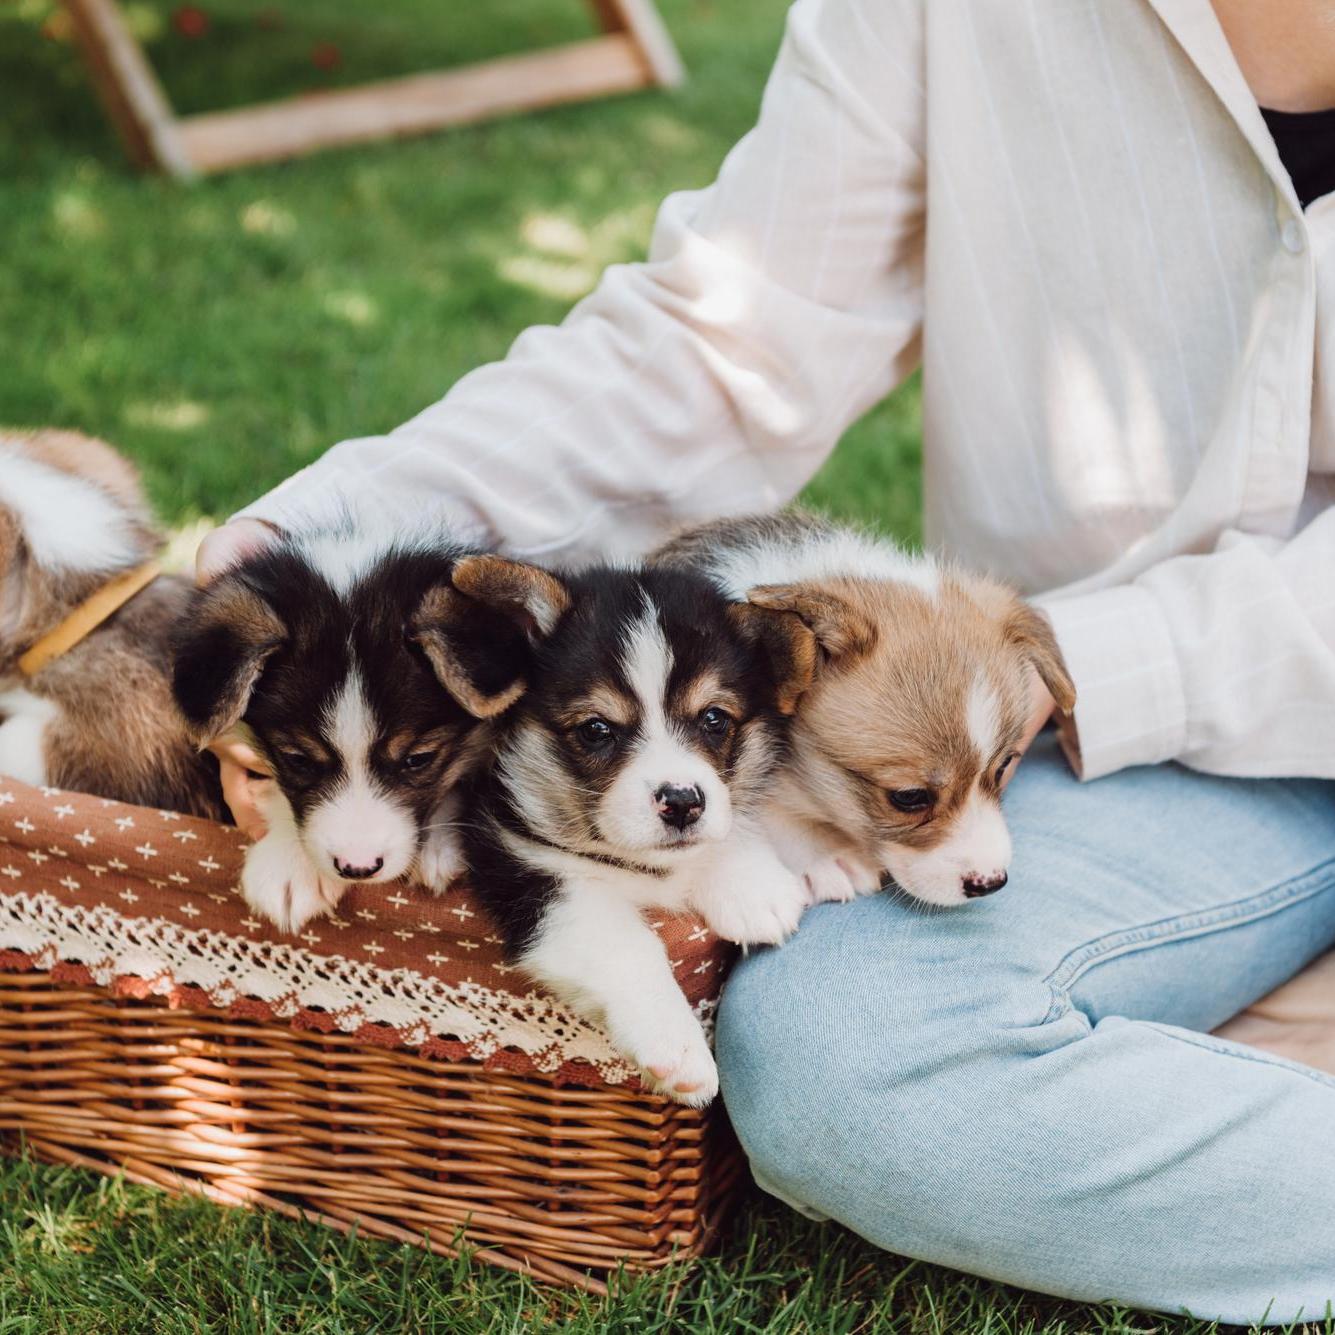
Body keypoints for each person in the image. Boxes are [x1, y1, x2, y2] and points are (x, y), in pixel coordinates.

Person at [197, 0, 1335, 1321]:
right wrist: (324, 539)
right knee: (846, 1060)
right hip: (1047, 757)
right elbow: (727, 344)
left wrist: (1078, 658)